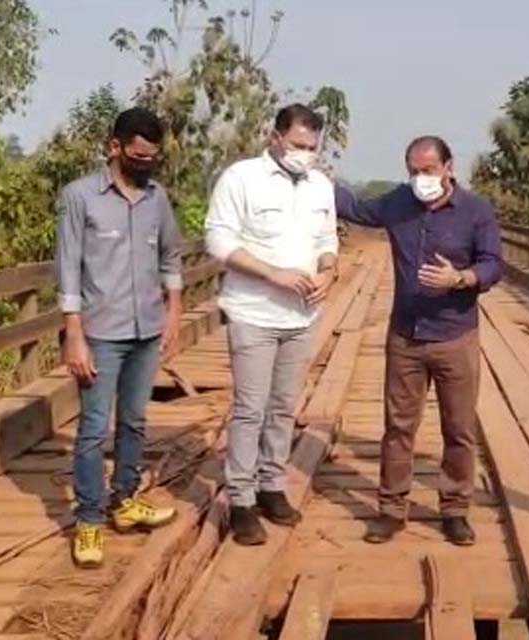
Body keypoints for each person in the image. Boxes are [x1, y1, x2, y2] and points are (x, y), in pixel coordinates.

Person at [333, 136, 502, 546]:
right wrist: (318, 180)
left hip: (455, 335)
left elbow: (493, 264)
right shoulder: (398, 203)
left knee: (459, 427)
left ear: (448, 167)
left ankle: (455, 510)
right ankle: (391, 509)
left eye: (428, 170)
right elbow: (355, 208)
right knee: (398, 427)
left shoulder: (476, 211)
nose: (420, 178)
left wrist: (460, 278)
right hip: (405, 335)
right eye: (413, 171)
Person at [205, 104, 339, 546]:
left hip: (301, 316)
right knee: (250, 408)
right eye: (298, 144)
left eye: (312, 147)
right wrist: (271, 274)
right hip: (253, 312)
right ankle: (241, 500)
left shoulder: (320, 186)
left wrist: (328, 270)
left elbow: (327, 239)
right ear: (275, 137)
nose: (305, 153)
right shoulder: (241, 178)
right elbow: (218, 240)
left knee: (283, 406)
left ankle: (271, 485)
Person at [56, 107, 183, 568]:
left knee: (133, 420)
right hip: (99, 333)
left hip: (146, 330)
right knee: (93, 429)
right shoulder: (80, 197)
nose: (146, 164)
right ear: (115, 147)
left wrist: (174, 311)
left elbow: (170, 256)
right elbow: (68, 267)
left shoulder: (157, 198)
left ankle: (125, 498)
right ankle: (89, 519)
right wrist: (74, 334)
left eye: (152, 157)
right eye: (138, 155)